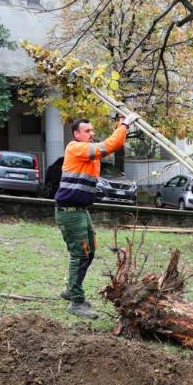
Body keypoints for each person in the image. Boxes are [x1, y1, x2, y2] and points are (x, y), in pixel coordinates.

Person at [56, 114, 139, 318]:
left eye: (93, 131)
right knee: (80, 254)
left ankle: (70, 289)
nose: (92, 134)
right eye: (87, 131)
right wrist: (125, 125)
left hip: (81, 211)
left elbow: (110, 145)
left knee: (90, 251)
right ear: (77, 134)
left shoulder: (87, 154)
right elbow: (109, 146)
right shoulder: (75, 148)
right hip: (69, 213)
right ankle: (76, 301)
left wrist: (121, 125)